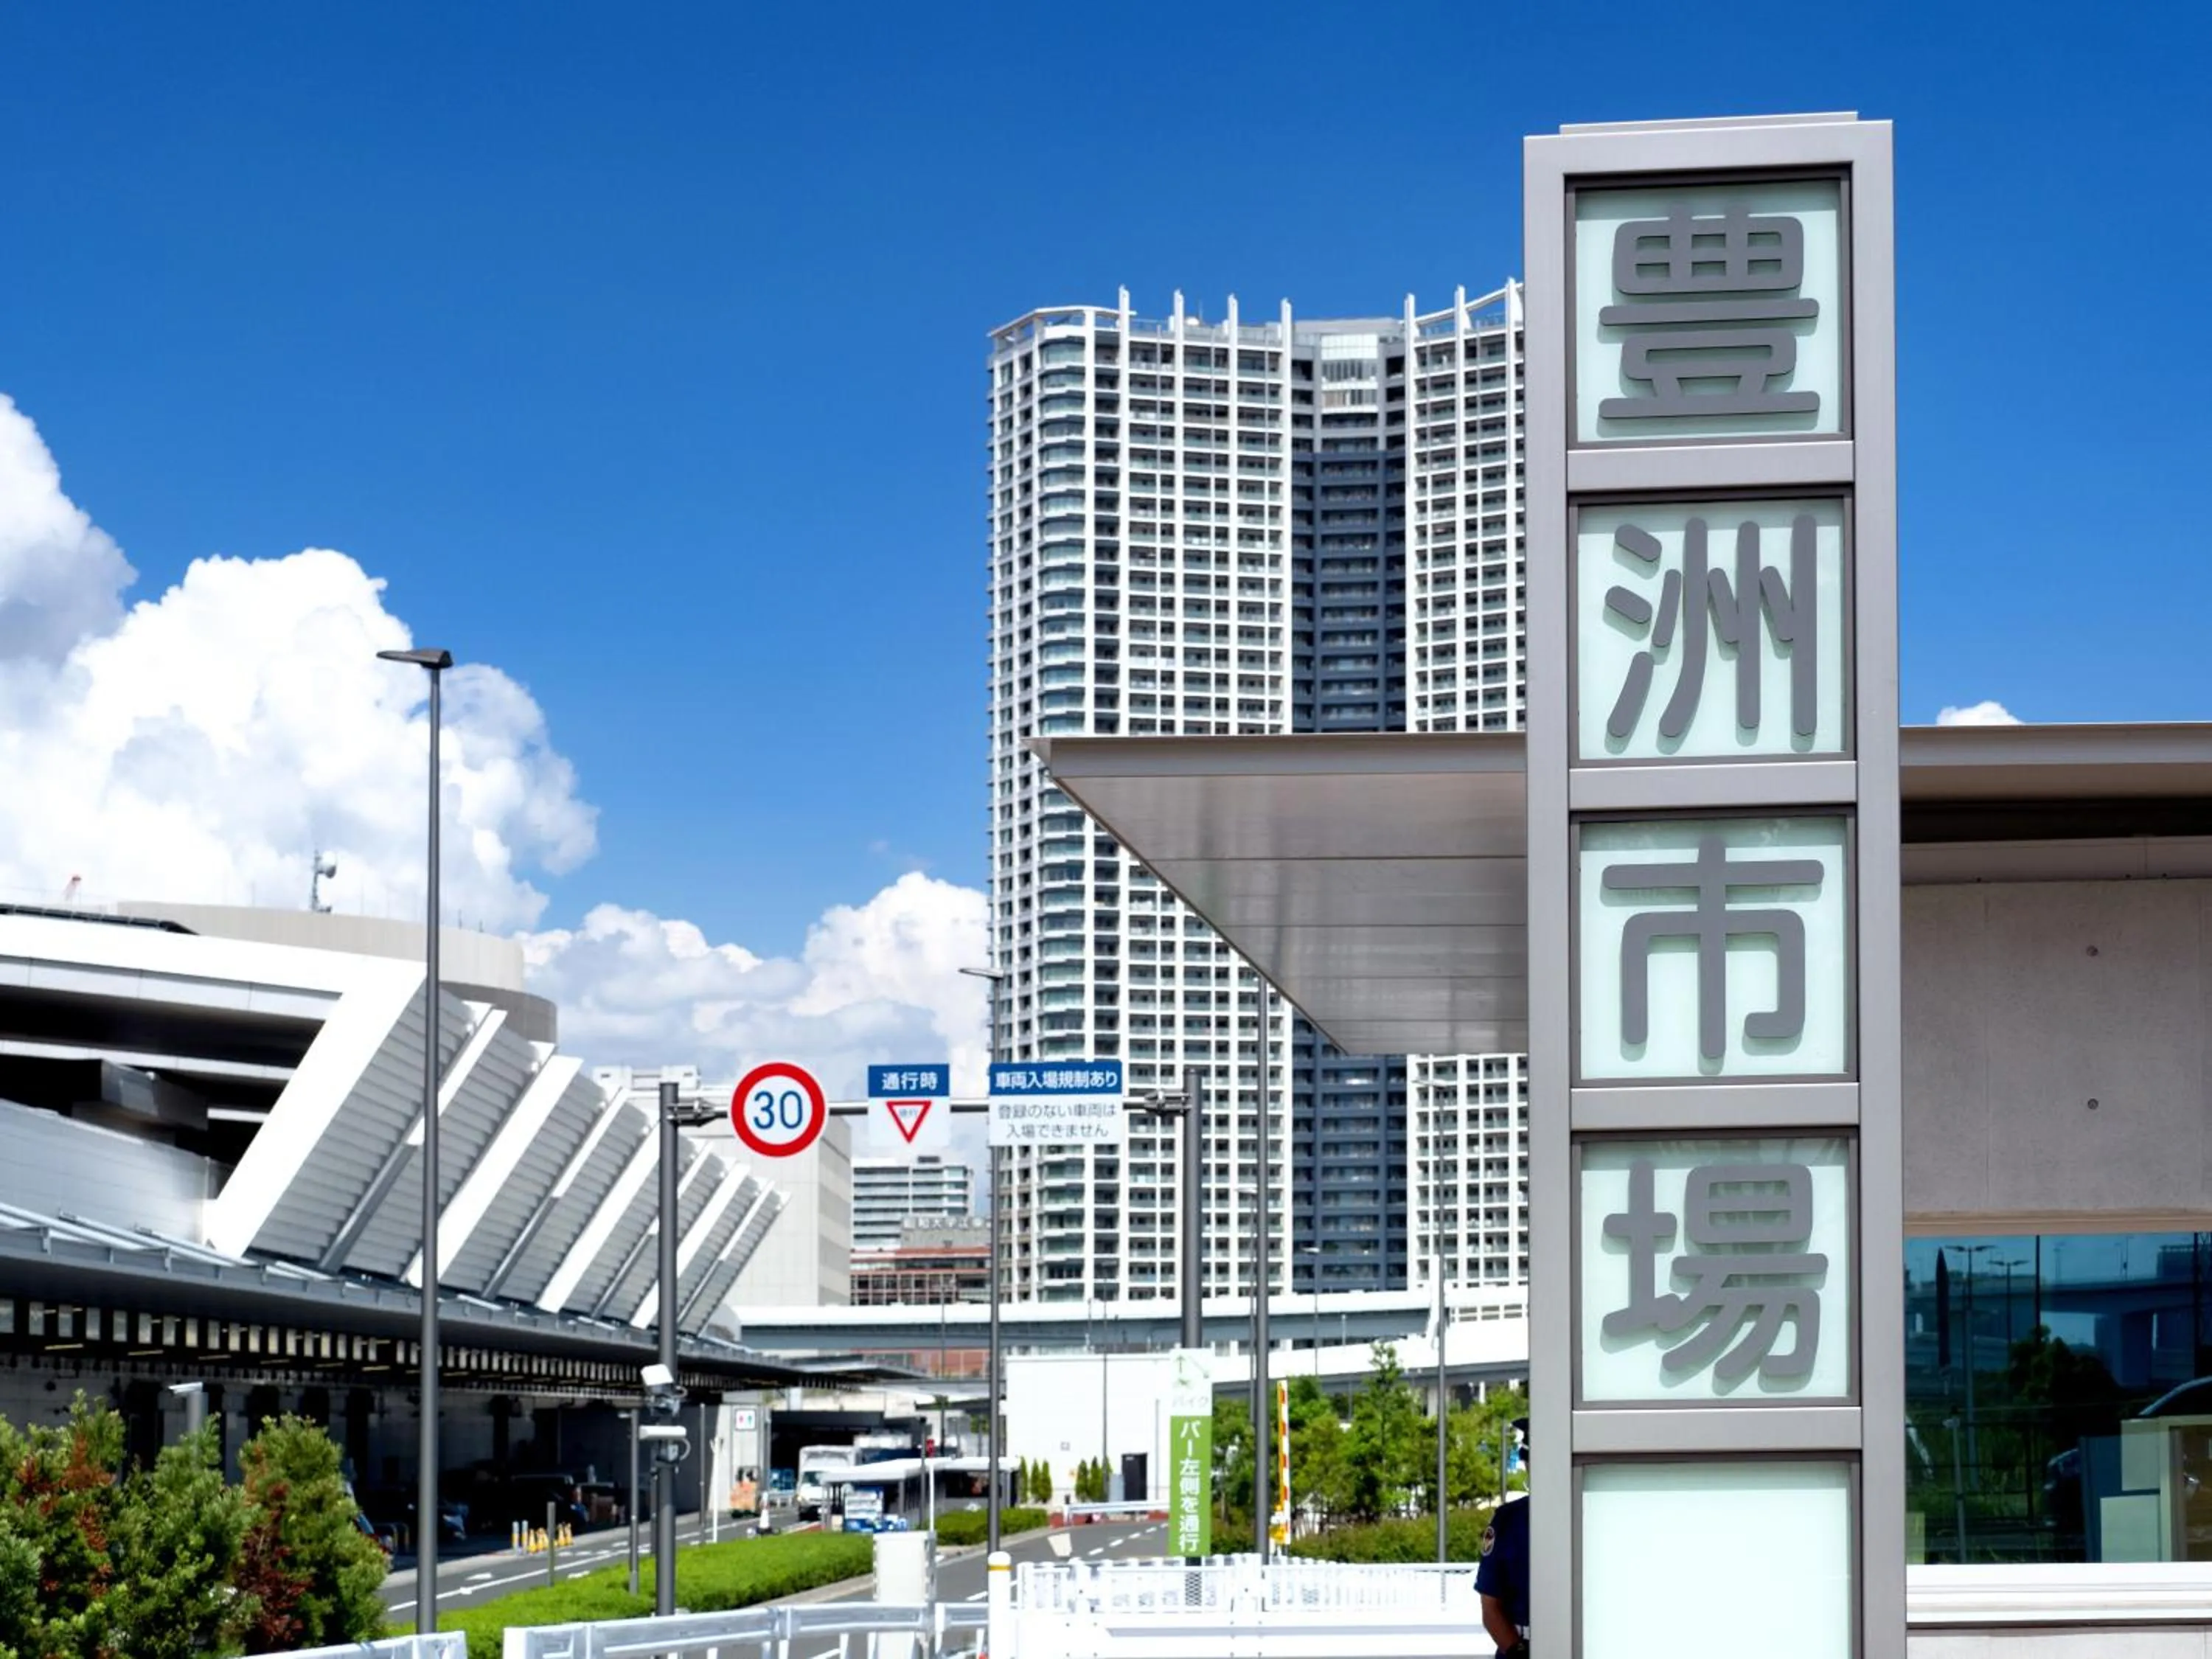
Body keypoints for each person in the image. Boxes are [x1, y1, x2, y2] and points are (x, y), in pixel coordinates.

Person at [1474, 1416, 1529, 1658]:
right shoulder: (1507, 1521)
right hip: (1518, 1647)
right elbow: (1490, 1608)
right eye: (1529, 1459)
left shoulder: (1586, 1516)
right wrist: (1519, 1652)